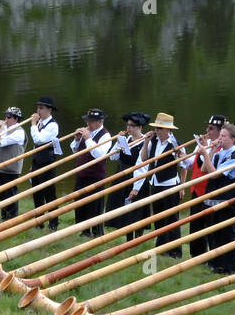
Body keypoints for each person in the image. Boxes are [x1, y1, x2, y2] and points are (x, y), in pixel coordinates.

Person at [134, 112, 185, 253]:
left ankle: (175, 251)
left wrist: (182, 185)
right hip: (155, 183)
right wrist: (145, 142)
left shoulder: (176, 144)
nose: (156, 131)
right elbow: (144, 159)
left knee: (172, 219)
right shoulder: (153, 141)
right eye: (156, 128)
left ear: (169, 130)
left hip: (169, 185)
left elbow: (186, 164)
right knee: (158, 217)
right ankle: (161, 247)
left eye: (159, 129)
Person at [202, 122, 235, 275]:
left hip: (227, 202)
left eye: (223, 136)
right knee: (213, 234)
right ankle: (215, 265)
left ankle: (228, 268)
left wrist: (206, 154)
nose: (220, 139)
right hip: (213, 200)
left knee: (227, 234)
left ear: (232, 139)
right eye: (220, 136)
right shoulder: (219, 153)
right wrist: (211, 150)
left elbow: (215, 174)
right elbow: (204, 169)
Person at [69, 108, 112, 236]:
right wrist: (77, 139)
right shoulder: (86, 132)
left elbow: (99, 154)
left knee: (95, 205)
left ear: (100, 122)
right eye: (88, 120)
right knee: (80, 204)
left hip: (95, 176)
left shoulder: (106, 135)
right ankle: (84, 231)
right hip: (81, 175)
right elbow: (75, 151)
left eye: (92, 121)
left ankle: (97, 233)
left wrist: (88, 139)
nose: (88, 124)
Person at [187, 114, 225, 259]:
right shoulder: (202, 144)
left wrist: (206, 150)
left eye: (211, 129)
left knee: (210, 226)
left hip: (209, 190)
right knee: (195, 224)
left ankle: (212, 257)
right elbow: (190, 164)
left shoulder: (223, 149)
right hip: (196, 188)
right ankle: (196, 255)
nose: (207, 132)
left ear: (220, 132)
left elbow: (210, 168)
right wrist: (180, 156)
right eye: (207, 128)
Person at [106, 112, 149, 237]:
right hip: (122, 175)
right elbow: (113, 157)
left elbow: (142, 166)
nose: (128, 128)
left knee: (136, 210)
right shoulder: (126, 139)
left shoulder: (145, 142)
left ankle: (138, 237)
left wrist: (136, 187)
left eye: (132, 126)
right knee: (124, 211)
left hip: (137, 177)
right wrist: (118, 141)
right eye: (127, 125)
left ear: (140, 127)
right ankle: (129, 239)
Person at [26, 97, 62, 226]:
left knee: (49, 193)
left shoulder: (52, 125)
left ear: (49, 110)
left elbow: (38, 140)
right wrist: (32, 163)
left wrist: (33, 124)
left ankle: (53, 223)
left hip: (47, 162)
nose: (38, 111)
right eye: (38, 108)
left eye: (41, 108)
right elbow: (35, 147)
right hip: (37, 161)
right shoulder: (39, 124)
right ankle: (38, 222)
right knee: (36, 192)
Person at [0, 107, 27, 221]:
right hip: (1, 165)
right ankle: (4, 216)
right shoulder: (4, 129)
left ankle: (12, 217)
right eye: (5, 116)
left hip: (12, 167)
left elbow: (3, 142)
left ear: (16, 119)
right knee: (2, 192)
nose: (5, 119)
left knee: (11, 192)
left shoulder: (19, 132)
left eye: (8, 117)